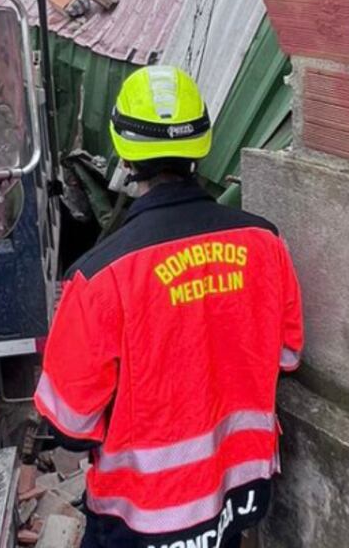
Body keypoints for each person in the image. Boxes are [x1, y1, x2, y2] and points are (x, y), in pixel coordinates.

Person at [35, 66, 304, 548]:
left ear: (123, 150)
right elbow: (285, 358)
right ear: (202, 143)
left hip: (142, 515)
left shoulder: (100, 276)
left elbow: (70, 425)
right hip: (236, 496)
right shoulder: (265, 243)